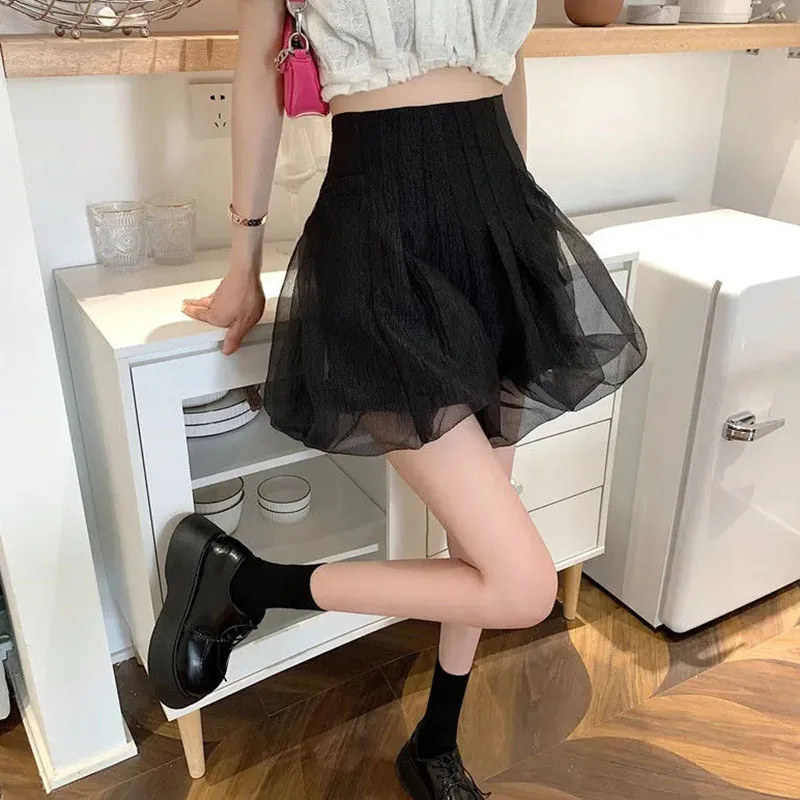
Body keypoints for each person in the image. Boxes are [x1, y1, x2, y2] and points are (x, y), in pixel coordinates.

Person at [148, 2, 647, 797]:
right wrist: (243, 260)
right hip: (381, 229)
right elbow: (258, 65)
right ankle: (245, 584)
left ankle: (436, 742)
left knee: (479, 545)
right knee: (522, 585)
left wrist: (514, 226)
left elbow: (522, 55)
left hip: (498, 219)